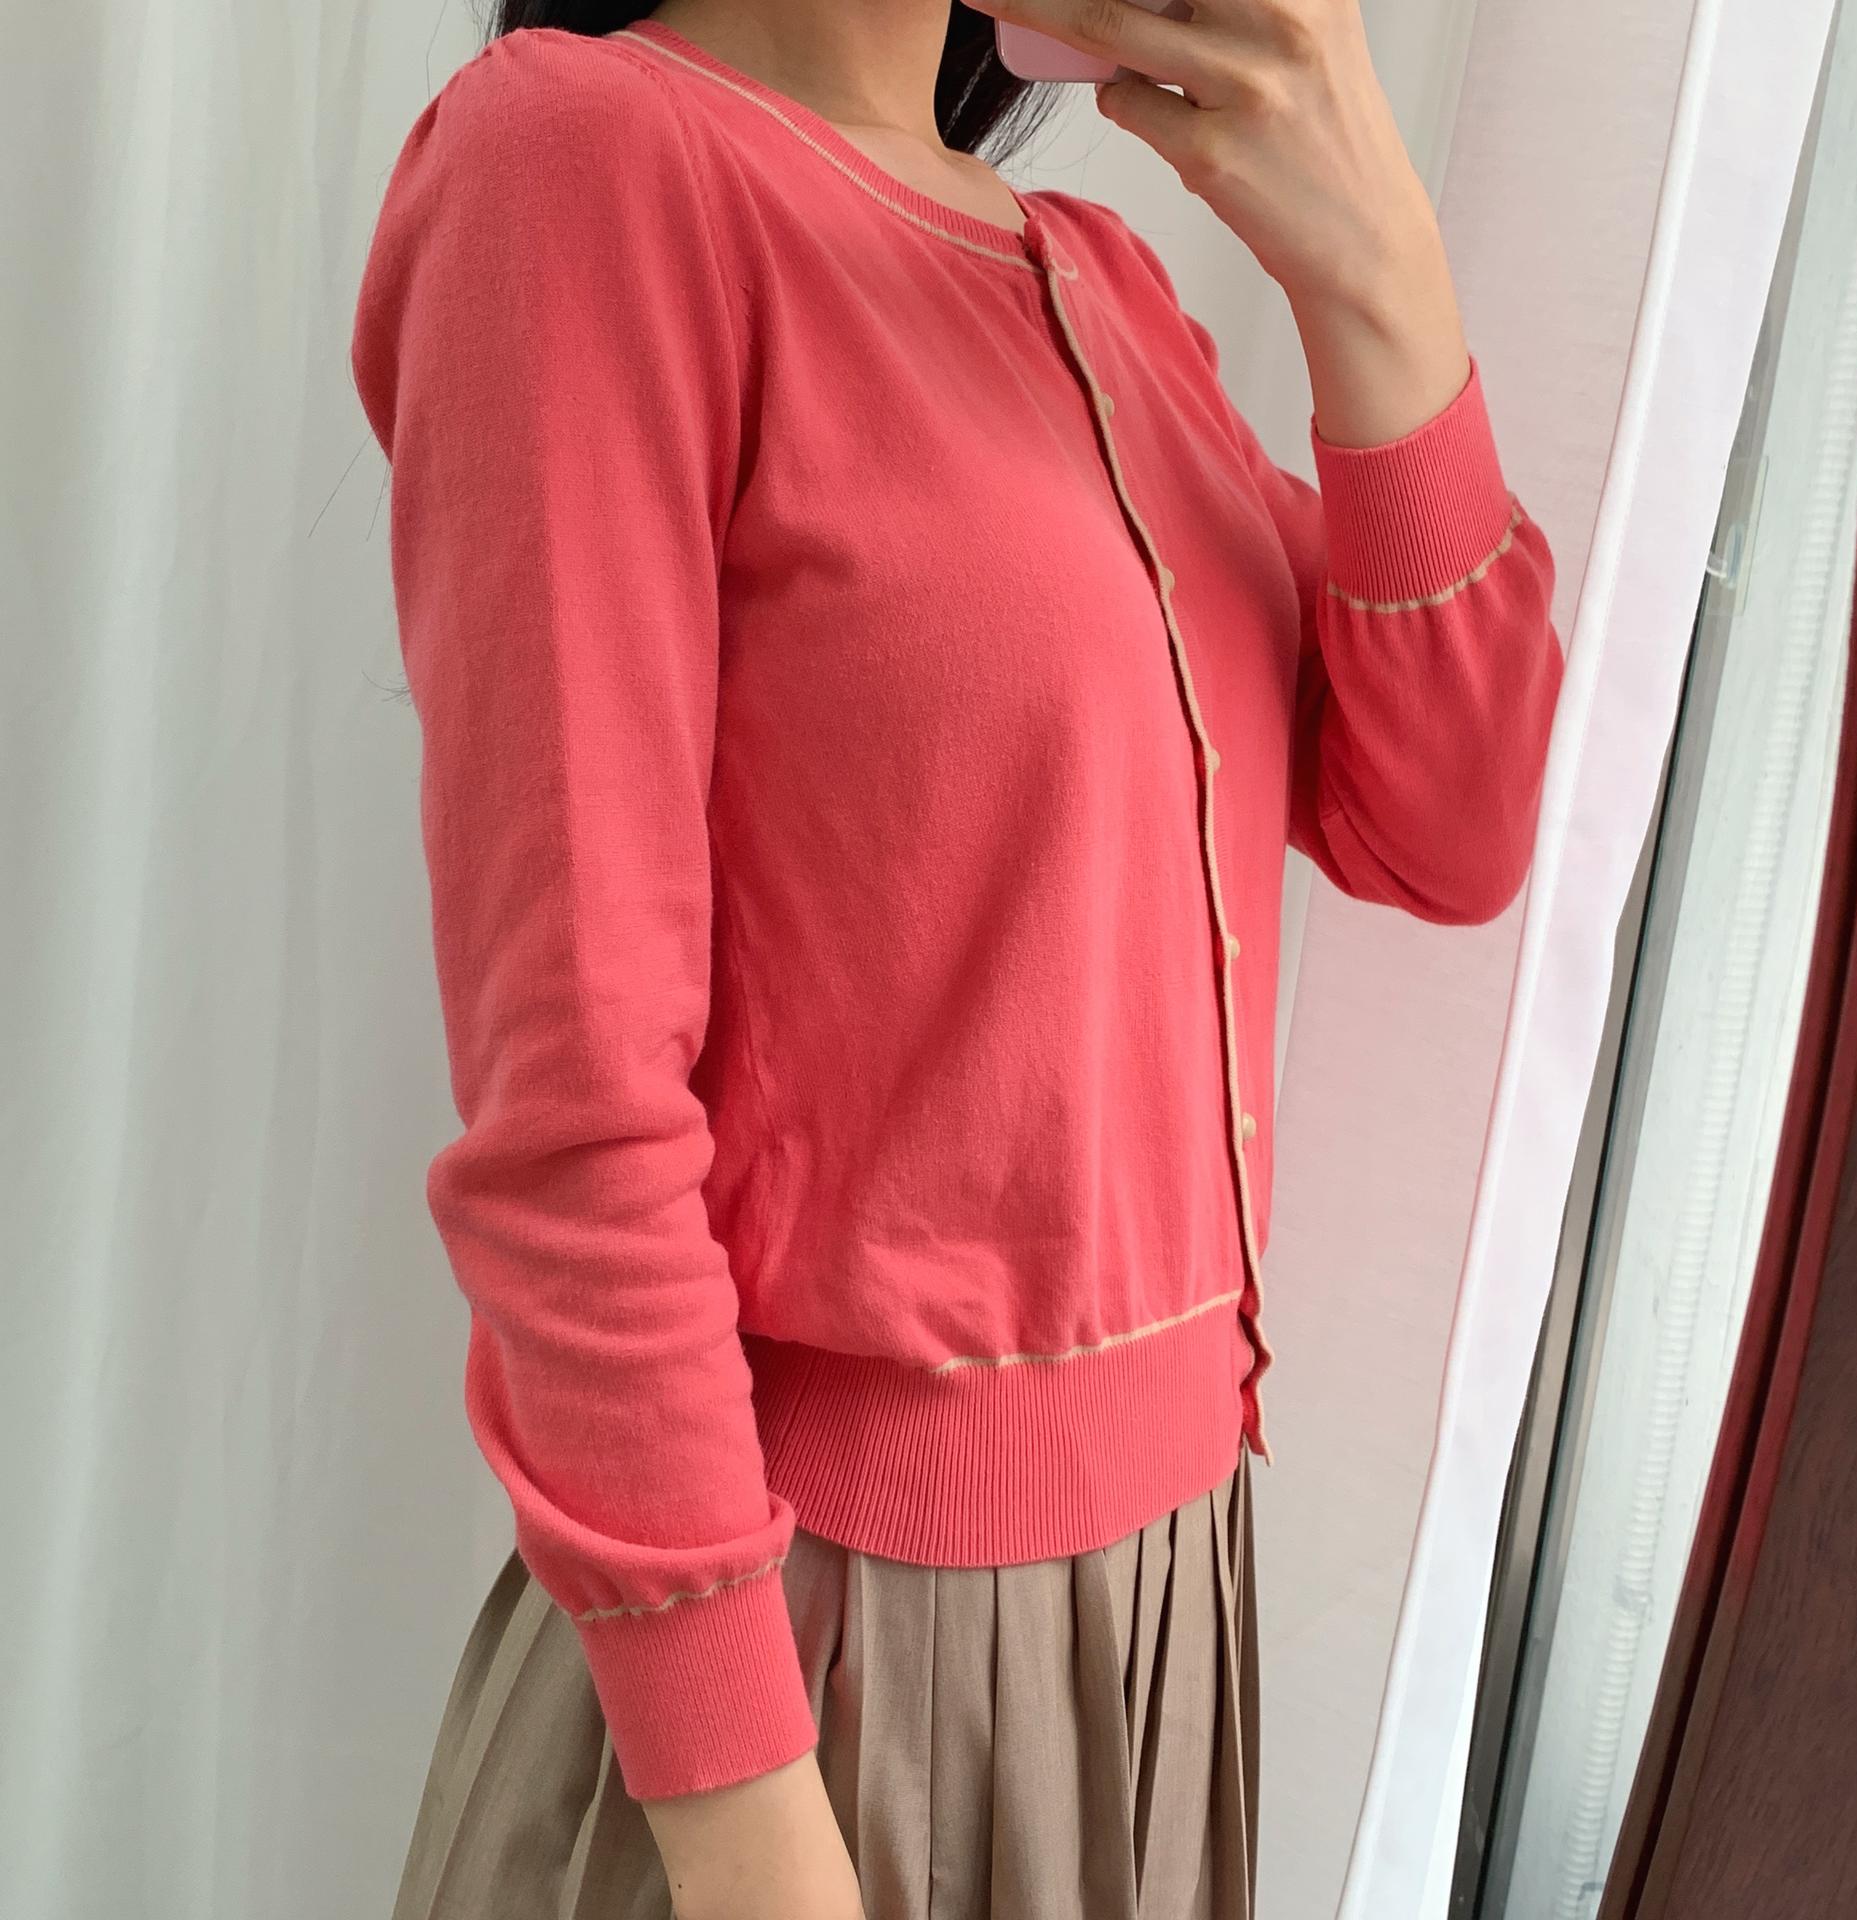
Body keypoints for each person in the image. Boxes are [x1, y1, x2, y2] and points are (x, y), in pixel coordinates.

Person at [348, 2, 1564, 1915]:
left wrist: (1377, 266)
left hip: (1163, 1639)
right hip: (808, 1677)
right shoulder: (587, 157)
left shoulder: (1099, 285)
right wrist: (757, 1842)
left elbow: (1453, 822)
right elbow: (573, 1104)